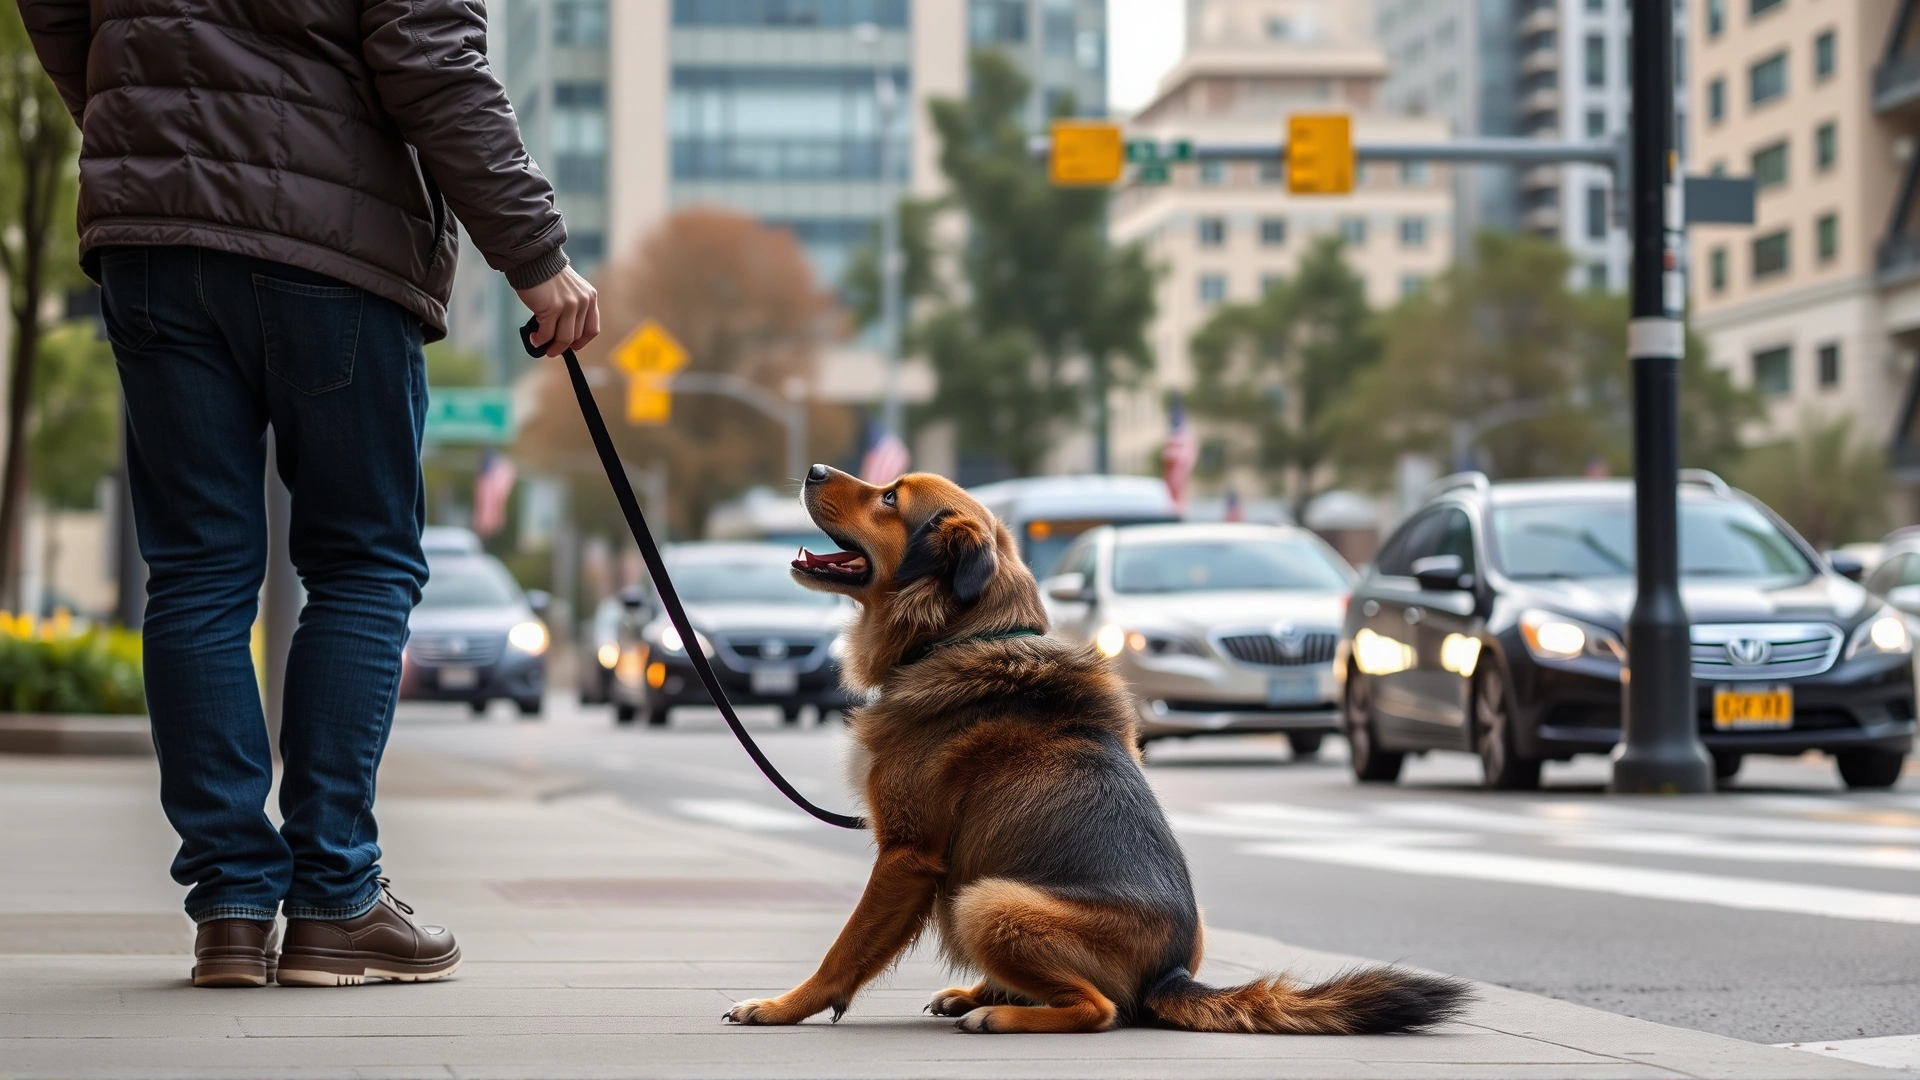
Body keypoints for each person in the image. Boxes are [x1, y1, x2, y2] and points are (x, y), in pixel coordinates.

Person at [17, 0, 598, 987]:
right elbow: (430, 61)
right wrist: (536, 256)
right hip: (335, 247)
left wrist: (140, 128)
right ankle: (334, 895)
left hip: (154, 239)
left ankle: (233, 908)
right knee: (363, 561)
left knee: (196, 570)